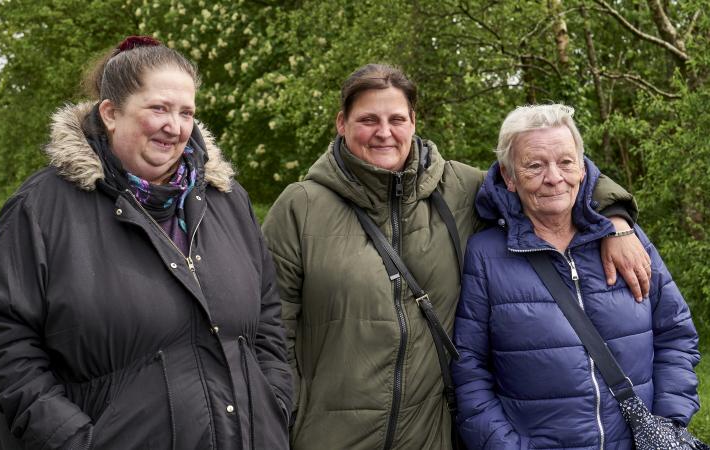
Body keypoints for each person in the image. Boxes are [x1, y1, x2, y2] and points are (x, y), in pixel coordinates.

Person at [261, 64, 651, 449]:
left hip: (432, 437)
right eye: (368, 119)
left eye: (397, 118)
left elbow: (551, 175)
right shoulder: (301, 208)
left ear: (414, 121)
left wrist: (615, 217)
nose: (384, 132)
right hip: (326, 437)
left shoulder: (459, 189)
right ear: (342, 123)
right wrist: (287, 419)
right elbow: (271, 333)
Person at [0, 36, 291, 450]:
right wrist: (74, 439)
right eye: (159, 108)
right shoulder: (42, 207)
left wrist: (273, 403)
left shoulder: (227, 200)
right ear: (111, 113)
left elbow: (267, 322)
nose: (175, 126)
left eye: (186, 112)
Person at [452, 104, 700, 449]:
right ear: (509, 178)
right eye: (534, 165)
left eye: (566, 162)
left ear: (583, 170)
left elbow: (675, 334)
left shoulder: (627, 239)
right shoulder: (485, 255)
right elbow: (469, 371)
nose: (554, 177)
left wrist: (667, 421)